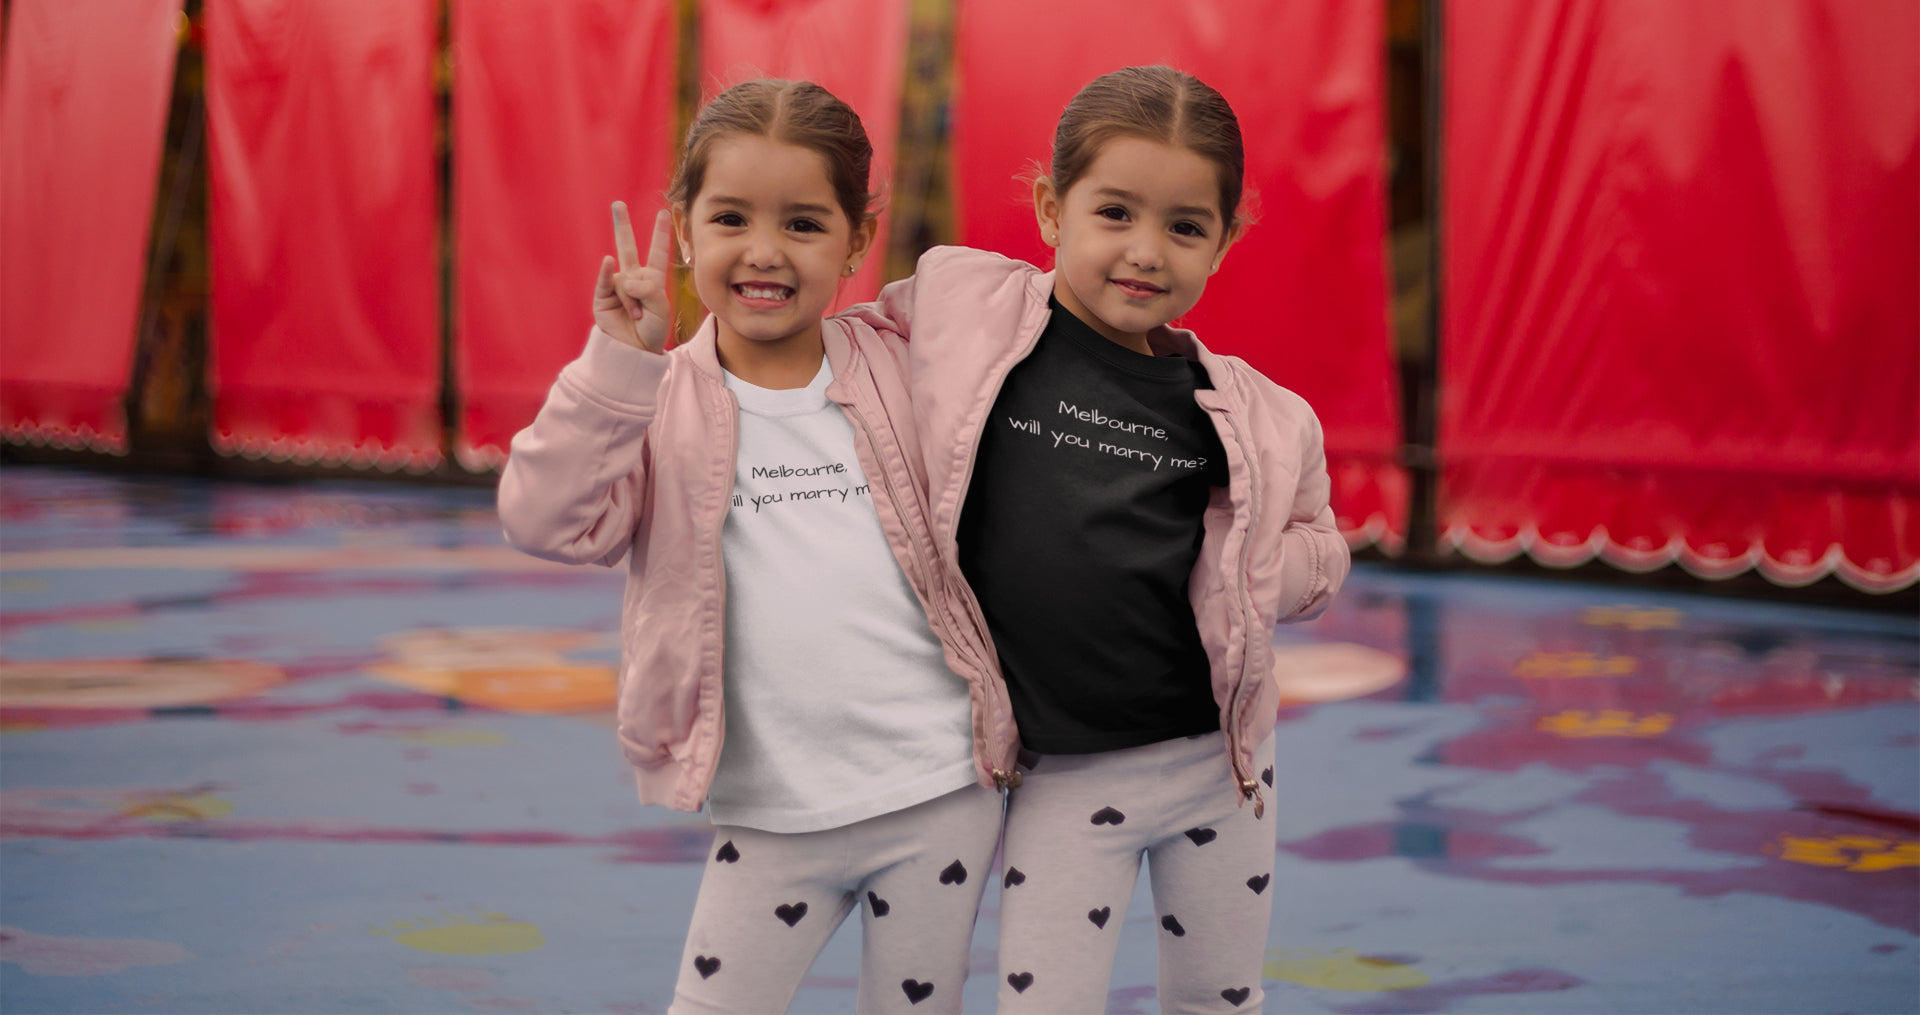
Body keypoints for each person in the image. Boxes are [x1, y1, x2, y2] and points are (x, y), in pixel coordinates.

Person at [497, 79, 1019, 1015]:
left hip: (941, 794)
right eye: (731, 216)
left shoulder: (902, 362)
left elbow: (1015, 313)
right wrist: (619, 361)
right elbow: (546, 521)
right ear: (684, 229)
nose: (765, 251)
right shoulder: (652, 398)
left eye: (807, 224)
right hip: (770, 816)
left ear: (858, 240)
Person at [856, 65, 1350, 1013]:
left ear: (1226, 241)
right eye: (1114, 212)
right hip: (1063, 775)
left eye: (1184, 227)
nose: (1145, 251)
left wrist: (1258, 570)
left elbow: (1318, 547)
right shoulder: (969, 315)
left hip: (1218, 764)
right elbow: (843, 353)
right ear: (1051, 206)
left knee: (1220, 998)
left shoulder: (1256, 412)